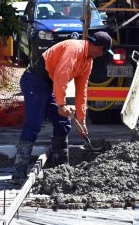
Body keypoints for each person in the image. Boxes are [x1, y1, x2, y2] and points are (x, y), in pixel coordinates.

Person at [12, 31, 113, 184]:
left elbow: (82, 90)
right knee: (34, 123)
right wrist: (61, 104)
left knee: (63, 122)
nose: (102, 55)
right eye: (104, 51)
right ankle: (19, 171)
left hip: (51, 84)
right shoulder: (74, 48)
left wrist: (81, 119)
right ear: (98, 47)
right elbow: (61, 75)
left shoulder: (88, 61)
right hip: (35, 81)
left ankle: (60, 169)